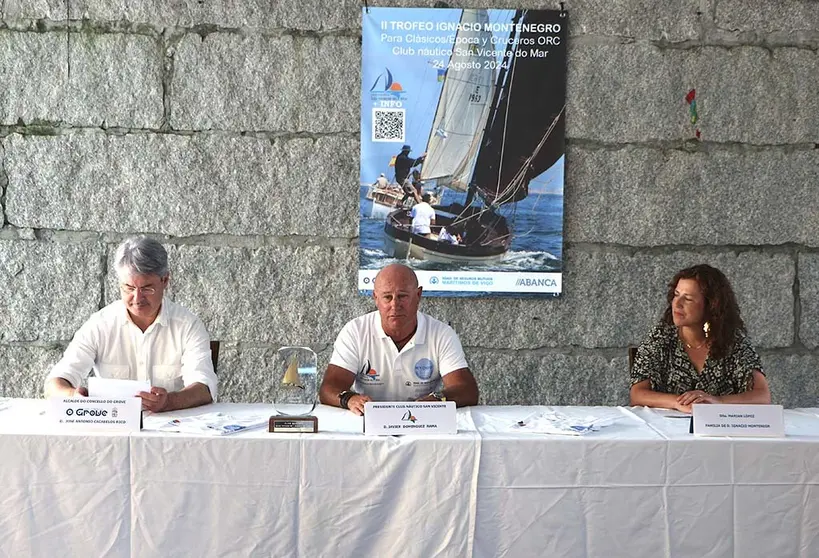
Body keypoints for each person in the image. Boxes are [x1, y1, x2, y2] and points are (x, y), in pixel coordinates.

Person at [44, 236, 218, 412]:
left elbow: (204, 388)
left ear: (165, 281)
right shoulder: (100, 324)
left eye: (147, 288)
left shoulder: (188, 325)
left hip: (172, 430)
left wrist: (169, 402)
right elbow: (55, 383)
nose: (137, 298)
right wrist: (72, 397)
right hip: (113, 429)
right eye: (128, 288)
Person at [319, 263, 479, 415]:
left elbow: (466, 390)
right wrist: (350, 399)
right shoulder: (355, 331)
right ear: (375, 298)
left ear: (418, 295)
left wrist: (436, 399)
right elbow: (329, 389)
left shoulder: (441, 334)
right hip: (368, 421)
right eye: (387, 297)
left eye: (402, 296)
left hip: (422, 422)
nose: (395, 305)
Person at [630, 264, 771, 413]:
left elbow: (762, 396)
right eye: (676, 295)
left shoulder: (732, 340)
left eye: (688, 299)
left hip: (721, 431)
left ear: (711, 306)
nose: (677, 304)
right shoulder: (661, 336)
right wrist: (678, 403)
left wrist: (717, 401)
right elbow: (637, 394)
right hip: (670, 431)